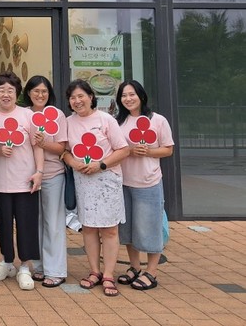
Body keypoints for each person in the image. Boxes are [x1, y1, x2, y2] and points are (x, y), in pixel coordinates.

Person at [61, 79, 129, 297]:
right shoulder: (68, 122)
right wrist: (73, 163)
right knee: (89, 227)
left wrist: (100, 165)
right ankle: (94, 271)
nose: (77, 101)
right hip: (83, 180)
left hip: (107, 179)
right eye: (73, 97)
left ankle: (108, 274)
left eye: (81, 96)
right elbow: (64, 151)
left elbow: (123, 150)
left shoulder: (105, 119)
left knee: (109, 229)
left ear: (91, 97)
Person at [115, 80, 174, 291]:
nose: (128, 99)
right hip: (123, 182)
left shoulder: (157, 120)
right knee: (128, 229)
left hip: (149, 182)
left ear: (141, 96)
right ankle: (134, 267)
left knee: (150, 227)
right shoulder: (118, 122)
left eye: (132, 94)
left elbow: (168, 149)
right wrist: (128, 151)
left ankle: (152, 271)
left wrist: (148, 151)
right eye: (124, 95)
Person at [0, 71, 44, 291]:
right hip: (1, 181)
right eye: (1, 90)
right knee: (3, 223)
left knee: (26, 223)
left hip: (25, 180)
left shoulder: (28, 115)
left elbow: (38, 146)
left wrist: (39, 172)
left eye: (10, 90)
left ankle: (24, 266)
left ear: (17, 93)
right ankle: (7, 262)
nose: (6, 94)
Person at [22, 75, 69, 288]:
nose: (40, 95)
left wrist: (44, 143)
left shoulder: (57, 115)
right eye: (36, 91)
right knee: (35, 222)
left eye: (44, 91)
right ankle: (40, 267)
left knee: (53, 222)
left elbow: (61, 148)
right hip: (26, 177)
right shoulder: (24, 114)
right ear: (28, 93)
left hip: (52, 175)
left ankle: (56, 270)